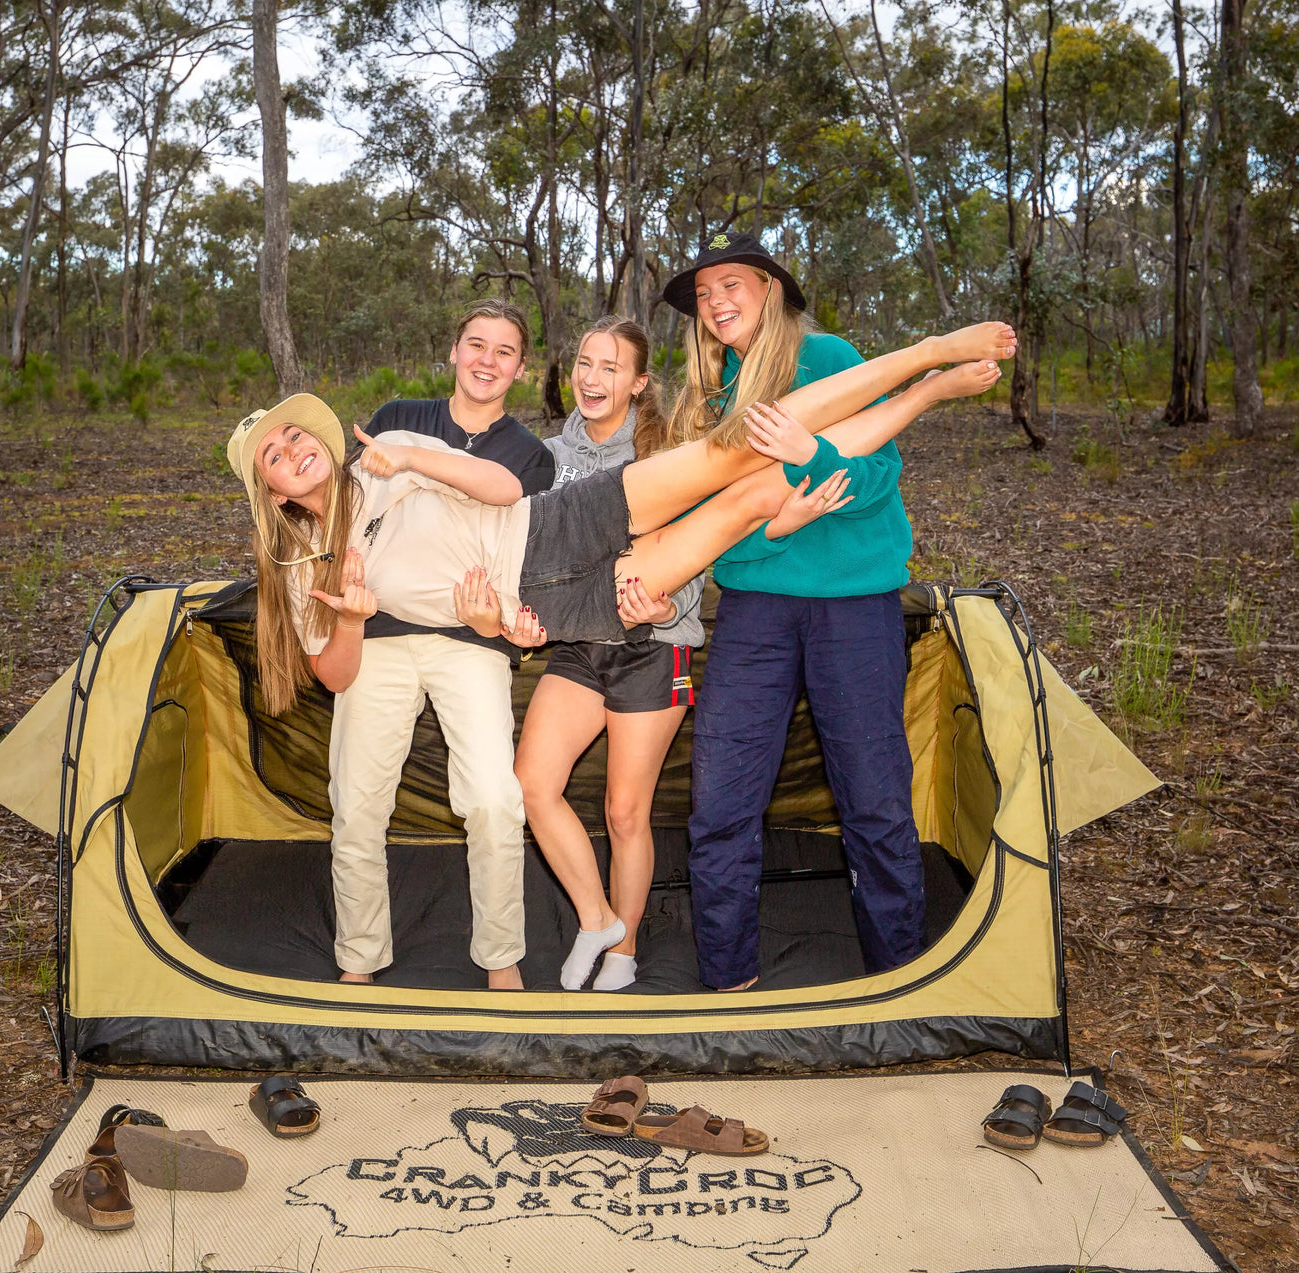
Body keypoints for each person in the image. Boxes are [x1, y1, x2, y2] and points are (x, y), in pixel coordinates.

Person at [227, 320, 1012, 988]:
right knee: (753, 494)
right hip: (553, 604)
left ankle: (920, 362)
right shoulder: (308, 569)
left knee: (734, 450)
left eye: (294, 434)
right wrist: (387, 619)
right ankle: (921, 397)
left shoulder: (386, 452)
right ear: (274, 493)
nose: (292, 449)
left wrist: (415, 459)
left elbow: (502, 491)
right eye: (273, 455)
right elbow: (338, 667)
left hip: (550, 526)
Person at [663, 229, 951, 992]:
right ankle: (729, 981)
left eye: (734, 283)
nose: (717, 301)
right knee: (722, 796)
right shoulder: (709, 391)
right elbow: (713, 527)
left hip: (851, 608)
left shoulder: (827, 360)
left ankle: (897, 976)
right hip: (755, 612)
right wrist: (775, 527)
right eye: (703, 292)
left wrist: (805, 450)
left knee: (873, 794)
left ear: (772, 291)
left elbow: (877, 476)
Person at [326, 299, 552, 991]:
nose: (486, 359)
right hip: (381, 632)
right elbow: (355, 512)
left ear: (519, 367)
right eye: (475, 344)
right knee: (358, 801)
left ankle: (501, 958)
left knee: (491, 797)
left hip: (469, 641)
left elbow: (504, 492)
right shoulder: (398, 414)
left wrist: (418, 466)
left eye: (503, 350)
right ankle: (358, 960)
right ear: (453, 351)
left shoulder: (527, 452)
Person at [515, 317, 704, 992]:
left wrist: (667, 605)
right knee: (532, 784)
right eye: (584, 364)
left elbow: (695, 541)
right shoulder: (542, 456)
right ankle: (594, 917)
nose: (593, 380)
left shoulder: (664, 448)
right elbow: (528, 550)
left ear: (638, 381)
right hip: (578, 648)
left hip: (653, 646)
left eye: (611, 368)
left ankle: (622, 953)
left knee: (626, 810)